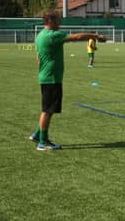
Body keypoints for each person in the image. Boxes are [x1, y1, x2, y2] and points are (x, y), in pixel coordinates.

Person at [29, 10, 106, 151]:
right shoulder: (53, 35)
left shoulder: (40, 35)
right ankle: (42, 142)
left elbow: (38, 58)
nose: (60, 23)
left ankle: (37, 134)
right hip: (51, 78)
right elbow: (77, 37)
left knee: (49, 109)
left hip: (47, 76)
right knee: (47, 111)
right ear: (50, 21)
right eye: (58, 20)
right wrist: (95, 36)